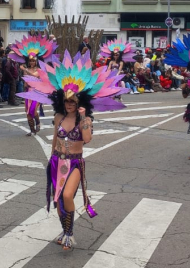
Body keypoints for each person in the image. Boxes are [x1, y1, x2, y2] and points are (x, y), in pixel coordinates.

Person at [18, 50, 126, 251]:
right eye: (67, 101)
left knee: (67, 196)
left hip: (75, 163)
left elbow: (87, 140)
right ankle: (64, 230)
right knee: (58, 200)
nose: (69, 105)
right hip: (57, 161)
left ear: (80, 103)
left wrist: (84, 119)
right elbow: (55, 140)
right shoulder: (59, 116)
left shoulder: (86, 119)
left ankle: (69, 233)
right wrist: (51, 158)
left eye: (73, 102)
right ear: (62, 101)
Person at [9, 35, 58, 136]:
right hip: (28, 92)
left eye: (33, 61)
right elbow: (25, 80)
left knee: (33, 110)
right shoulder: (27, 70)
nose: (31, 62)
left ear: (36, 61)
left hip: (37, 92)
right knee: (28, 112)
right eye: (30, 61)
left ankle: (38, 122)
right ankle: (32, 130)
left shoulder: (39, 70)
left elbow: (35, 76)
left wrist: (25, 70)